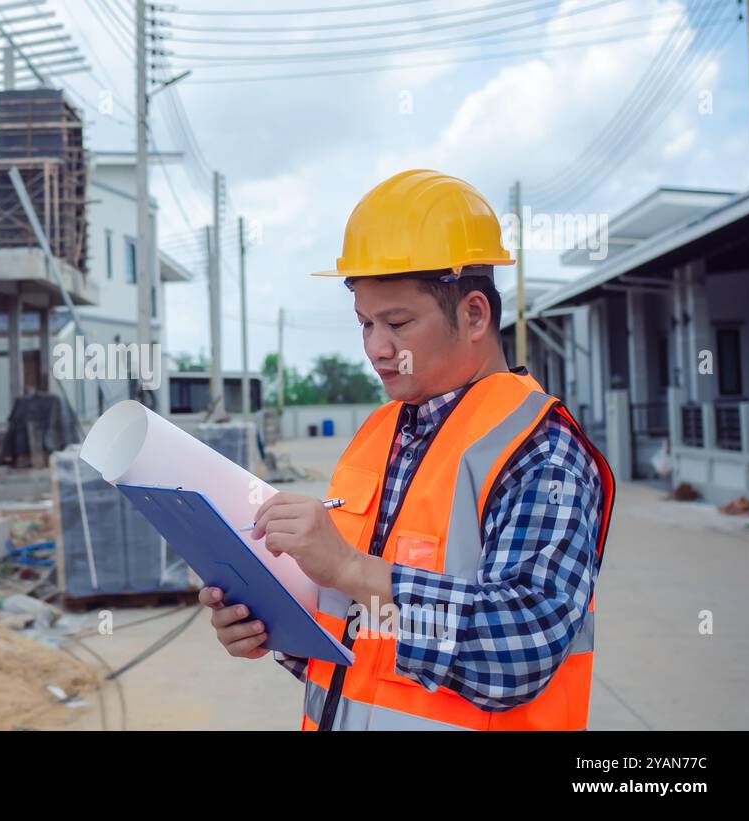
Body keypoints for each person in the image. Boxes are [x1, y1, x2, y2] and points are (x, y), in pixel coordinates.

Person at [200, 169, 615, 730]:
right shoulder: (379, 434)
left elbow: (522, 646)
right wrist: (275, 625)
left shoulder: (540, 451)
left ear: (473, 314)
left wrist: (349, 567)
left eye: (397, 322)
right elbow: (362, 641)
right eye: (364, 323)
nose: (376, 347)